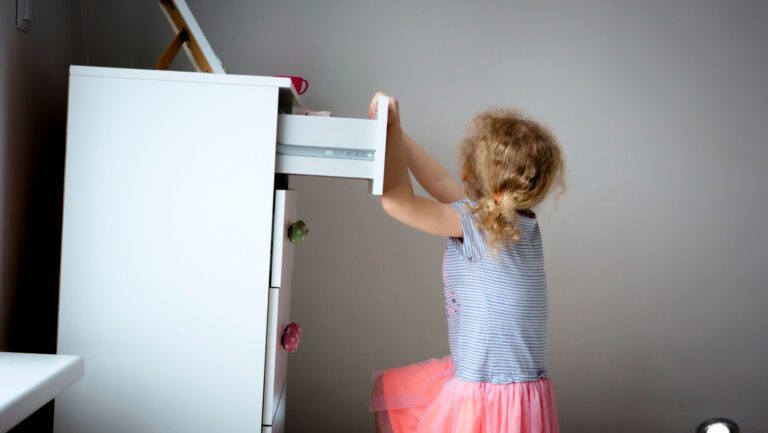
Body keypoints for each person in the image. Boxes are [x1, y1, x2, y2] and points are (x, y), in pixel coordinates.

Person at [367, 91, 565, 433]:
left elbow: (397, 202)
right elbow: (441, 182)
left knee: (392, 396)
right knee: (396, 389)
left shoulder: (476, 225)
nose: (458, 173)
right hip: (516, 393)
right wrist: (395, 130)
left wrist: (387, 137)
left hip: (488, 398)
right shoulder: (521, 224)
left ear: (475, 175)